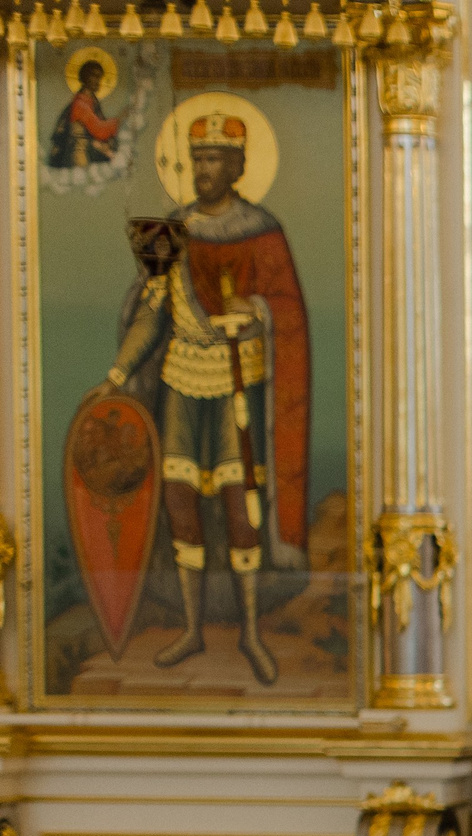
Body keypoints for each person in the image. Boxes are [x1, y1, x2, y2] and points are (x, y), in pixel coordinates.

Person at [96, 106, 311, 684]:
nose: (204, 169)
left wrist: (259, 311)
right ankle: (191, 629)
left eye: (215, 158)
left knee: (241, 510)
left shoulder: (261, 230)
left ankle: (250, 632)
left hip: (239, 382)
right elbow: (151, 310)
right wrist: (118, 375)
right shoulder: (172, 230)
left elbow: (287, 308)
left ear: (238, 165)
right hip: (181, 382)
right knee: (180, 502)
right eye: (197, 159)